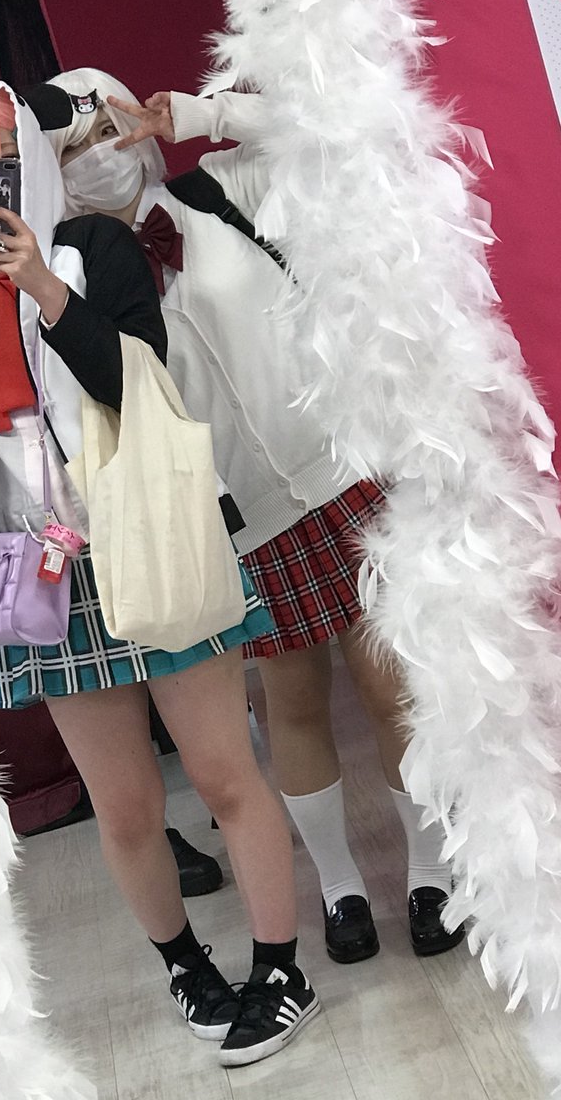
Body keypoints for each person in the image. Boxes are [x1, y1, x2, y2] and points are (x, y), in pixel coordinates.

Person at [0, 79, 321, 1067]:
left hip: (150, 533)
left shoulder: (91, 249)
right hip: (36, 568)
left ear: (25, 162)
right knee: (124, 805)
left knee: (221, 771)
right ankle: (187, 968)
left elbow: (135, 380)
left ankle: (283, 970)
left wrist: (40, 286)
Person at [41, 68, 465, 964]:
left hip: (340, 471)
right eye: (71, 150)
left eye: (107, 130)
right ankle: (341, 894)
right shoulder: (68, 282)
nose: (99, 156)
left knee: (390, 685)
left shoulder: (222, 189)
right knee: (291, 704)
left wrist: (202, 115)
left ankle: (431, 875)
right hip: (235, 516)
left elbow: (327, 127)